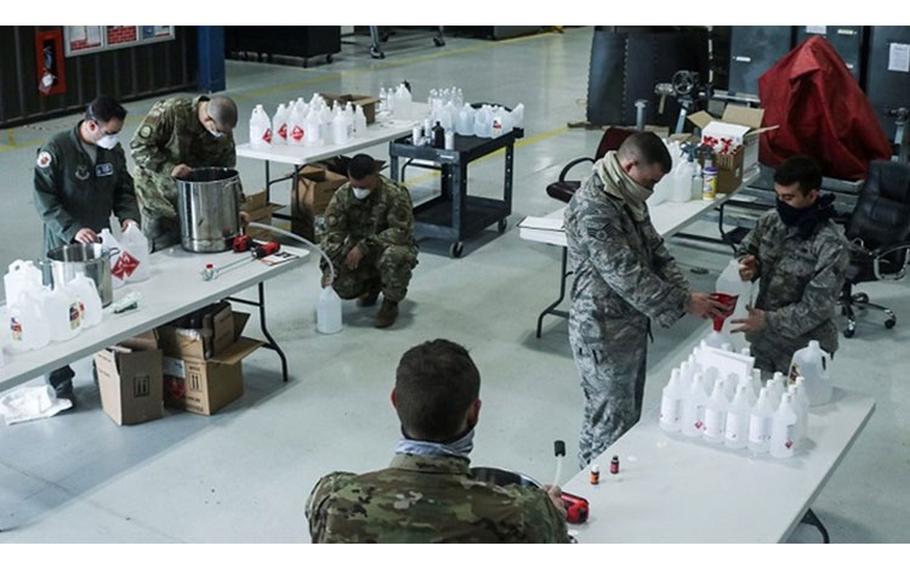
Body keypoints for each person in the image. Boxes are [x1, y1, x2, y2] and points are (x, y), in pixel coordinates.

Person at [564, 132, 724, 468]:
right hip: (600, 327)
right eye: (650, 181)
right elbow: (624, 273)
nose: (651, 190)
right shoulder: (594, 206)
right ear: (629, 164)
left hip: (626, 324)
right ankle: (592, 492)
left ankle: (599, 485)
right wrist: (683, 302)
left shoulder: (626, 195)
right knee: (608, 419)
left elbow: (656, 250)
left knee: (621, 416)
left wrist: (685, 292)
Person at [306, 339, 569, 543]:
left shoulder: (332, 497)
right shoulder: (522, 514)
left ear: (395, 401)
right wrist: (552, 514)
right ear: (474, 411)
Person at [33, 95, 141, 406]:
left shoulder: (112, 150)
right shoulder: (56, 150)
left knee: (102, 304)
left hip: (100, 243)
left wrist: (129, 218)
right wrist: (71, 229)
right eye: (110, 131)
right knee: (60, 312)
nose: (114, 137)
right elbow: (44, 201)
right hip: (63, 246)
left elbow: (123, 187)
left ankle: (102, 363)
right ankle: (61, 380)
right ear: (91, 125)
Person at [732, 155, 849, 375]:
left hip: (805, 347)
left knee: (796, 406)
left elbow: (817, 307)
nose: (781, 204)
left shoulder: (831, 244)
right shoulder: (770, 221)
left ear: (812, 195)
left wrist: (768, 320)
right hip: (764, 340)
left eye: (789, 198)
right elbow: (747, 250)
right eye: (778, 196)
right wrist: (750, 265)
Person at [320, 154, 418, 329]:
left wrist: (365, 246)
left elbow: (401, 232)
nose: (358, 190)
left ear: (375, 175)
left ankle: (390, 303)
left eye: (364, 186)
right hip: (356, 251)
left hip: (387, 247)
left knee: (394, 256)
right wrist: (329, 268)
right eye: (354, 185)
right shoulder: (343, 195)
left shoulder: (394, 194)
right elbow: (332, 234)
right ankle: (372, 286)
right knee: (340, 286)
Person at [129, 94, 238, 251]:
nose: (221, 136)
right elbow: (138, 147)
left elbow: (227, 172)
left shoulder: (222, 129)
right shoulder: (171, 111)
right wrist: (169, 168)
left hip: (198, 203)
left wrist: (238, 208)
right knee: (163, 253)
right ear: (208, 119)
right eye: (219, 131)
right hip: (160, 199)